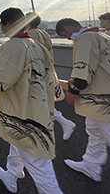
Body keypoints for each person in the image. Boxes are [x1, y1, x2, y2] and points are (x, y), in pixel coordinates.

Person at [0, 8, 64, 194]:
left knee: (40, 166)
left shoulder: (13, 45)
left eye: (2, 24)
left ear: (6, 24)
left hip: (24, 111)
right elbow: (50, 77)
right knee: (17, 145)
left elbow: (2, 77)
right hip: (37, 105)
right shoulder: (38, 46)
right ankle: (12, 175)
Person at [56, 18, 110, 182]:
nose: (67, 38)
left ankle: (92, 165)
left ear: (68, 27)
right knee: (94, 130)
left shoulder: (84, 39)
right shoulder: (104, 37)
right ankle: (91, 164)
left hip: (104, 100)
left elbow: (84, 66)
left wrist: (73, 89)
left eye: (65, 34)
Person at [26, 12, 76, 140]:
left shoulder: (31, 34)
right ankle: (65, 123)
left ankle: (62, 124)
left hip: (36, 75)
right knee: (43, 104)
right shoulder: (44, 33)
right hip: (47, 72)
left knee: (38, 105)